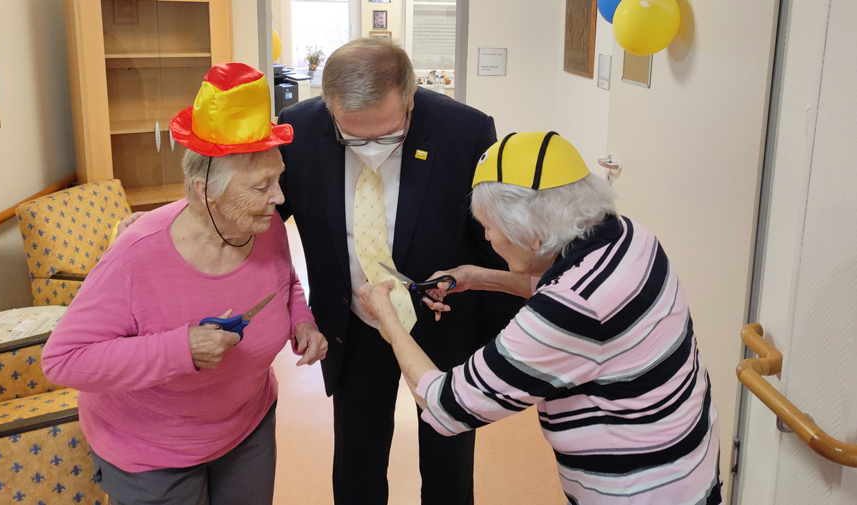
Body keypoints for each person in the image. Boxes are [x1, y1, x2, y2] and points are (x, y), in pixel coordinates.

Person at [359, 132, 724, 505]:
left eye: (489, 227)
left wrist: (388, 316)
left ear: (532, 235)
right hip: (690, 466)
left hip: (638, 491)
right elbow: (571, 291)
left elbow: (447, 406)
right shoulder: (631, 238)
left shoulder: (567, 311)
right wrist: (478, 276)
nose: (486, 238)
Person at [41, 63, 327, 505]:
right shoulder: (137, 255)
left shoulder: (261, 224)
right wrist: (181, 350)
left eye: (279, 177)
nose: (280, 198)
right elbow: (63, 361)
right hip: (153, 452)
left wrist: (301, 321)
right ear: (204, 190)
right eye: (262, 185)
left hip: (248, 426)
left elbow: (284, 282)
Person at [276, 37, 524, 504]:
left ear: (410, 99)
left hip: (440, 326)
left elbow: (494, 244)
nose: (371, 149)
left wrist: (490, 340)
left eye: (388, 135)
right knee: (357, 462)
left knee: (448, 463)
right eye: (353, 137)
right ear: (329, 106)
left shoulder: (465, 132)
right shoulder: (298, 130)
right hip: (354, 324)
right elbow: (262, 215)